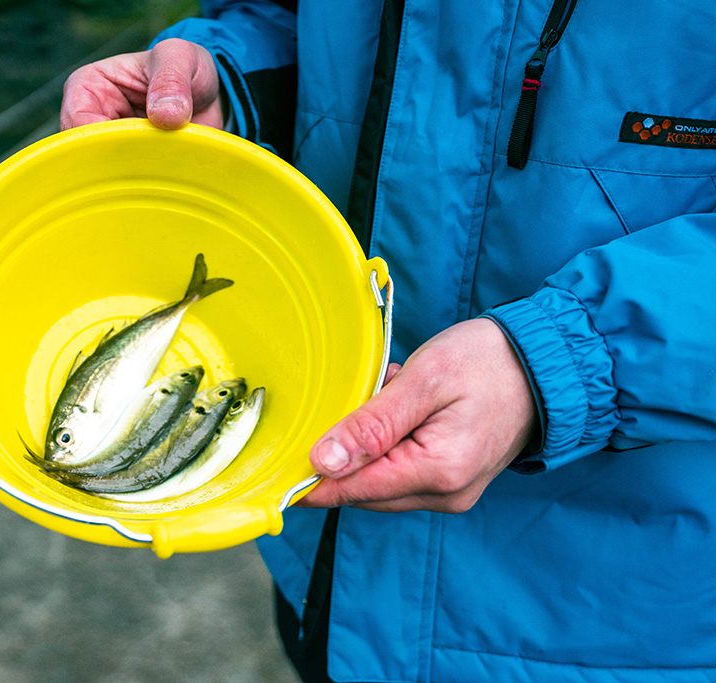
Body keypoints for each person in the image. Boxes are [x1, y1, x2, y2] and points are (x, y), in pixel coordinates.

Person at [60, 1, 716, 681]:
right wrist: (234, 83)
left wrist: (560, 366)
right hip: (331, 571)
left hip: (628, 622)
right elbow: (282, 14)